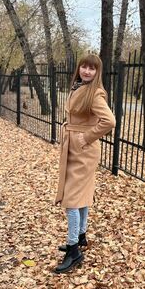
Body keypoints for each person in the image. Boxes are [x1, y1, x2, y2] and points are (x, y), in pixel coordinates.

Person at [54, 54, 116, 274]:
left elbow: (109, 121)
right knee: (81, 195)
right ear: (79, 68)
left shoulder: (95, 93)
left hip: (83, 150)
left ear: (97, 72)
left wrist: (86, 137)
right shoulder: (79, 87)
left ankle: (73, 250)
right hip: (75, 148)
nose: (87, 71)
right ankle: (80, 236)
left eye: (92, 68)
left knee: (71, 200)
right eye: (84, 67)